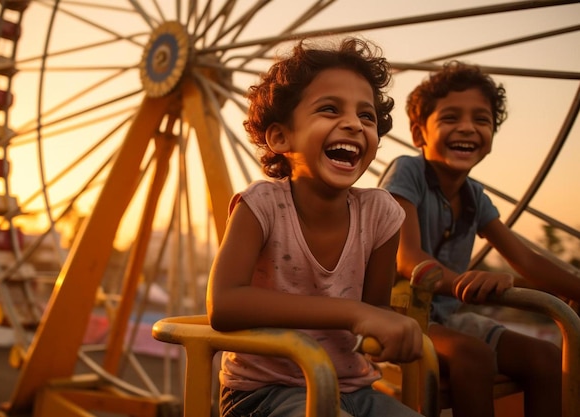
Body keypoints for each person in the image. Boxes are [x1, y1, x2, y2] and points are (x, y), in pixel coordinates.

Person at [206, 37, 424, 417]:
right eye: (329, 109)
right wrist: (353, 314)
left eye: (367, 116)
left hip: (354, 387)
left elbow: (374, 312)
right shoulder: (261, 205)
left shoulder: (381, 215)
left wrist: (390, 329)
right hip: (263, 393)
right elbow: (223, 304)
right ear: (279, 137)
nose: (354, 125)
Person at [379, 60, 580, 417]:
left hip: (448, 317)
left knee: (546, 357)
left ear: (491, 137)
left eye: (481, 120)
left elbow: (527, 260)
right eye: (451, 118)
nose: (468, 128)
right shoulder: (407, 172)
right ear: (419, 134)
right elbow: (407, 259)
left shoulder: (475, 196)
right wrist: (464, 283)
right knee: (473, 355)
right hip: (397, 314)